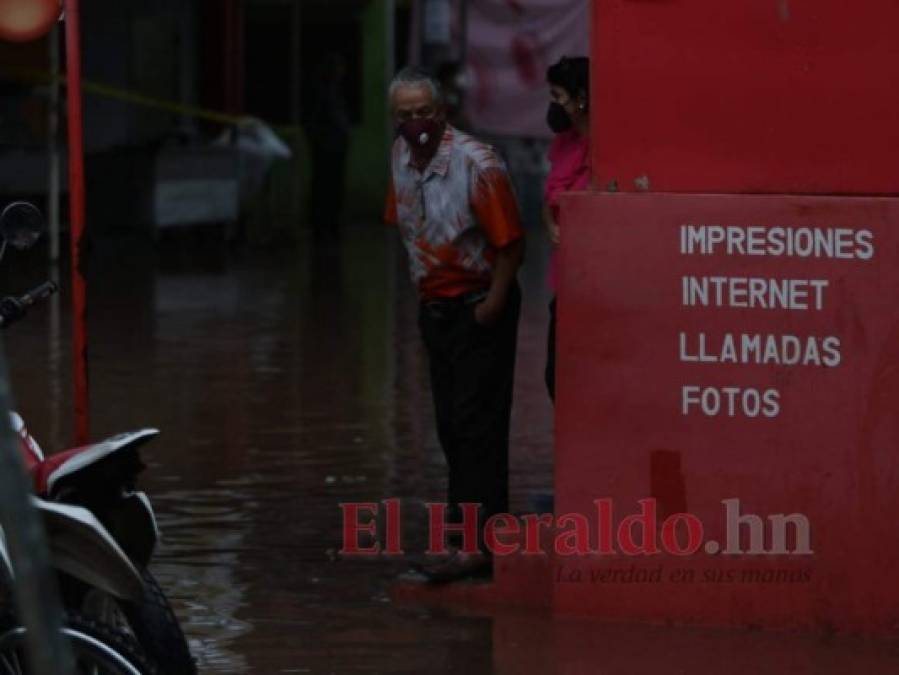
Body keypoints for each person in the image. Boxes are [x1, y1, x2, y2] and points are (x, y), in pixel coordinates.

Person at [384, 67, 525, 583]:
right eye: (406, 115)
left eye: (424, 112)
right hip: (435, 307)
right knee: (450, 425)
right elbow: (406, 229)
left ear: (441, 112)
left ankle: (475, 545)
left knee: (476, 425)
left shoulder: (477, 163)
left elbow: (512, 244)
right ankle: (475, 535)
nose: (416, 122)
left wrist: (493, 303)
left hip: (478, 303)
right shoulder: (399, 158)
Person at [543, 56, 591, 402]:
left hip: (594, 278)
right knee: (555, 378)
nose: (553, 105)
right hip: (565, 273)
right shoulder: (565, 143)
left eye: (558, 96)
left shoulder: (609, 148)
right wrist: (549, 224)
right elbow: (550, 200)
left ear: (581, 98)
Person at [305, 53, 351, 242]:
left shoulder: (331, 92)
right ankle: (325, 226)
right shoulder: (325, 93)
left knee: (329, 187)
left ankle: (327, 225)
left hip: (331, 146)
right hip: (328, 147)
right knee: (327, 187)